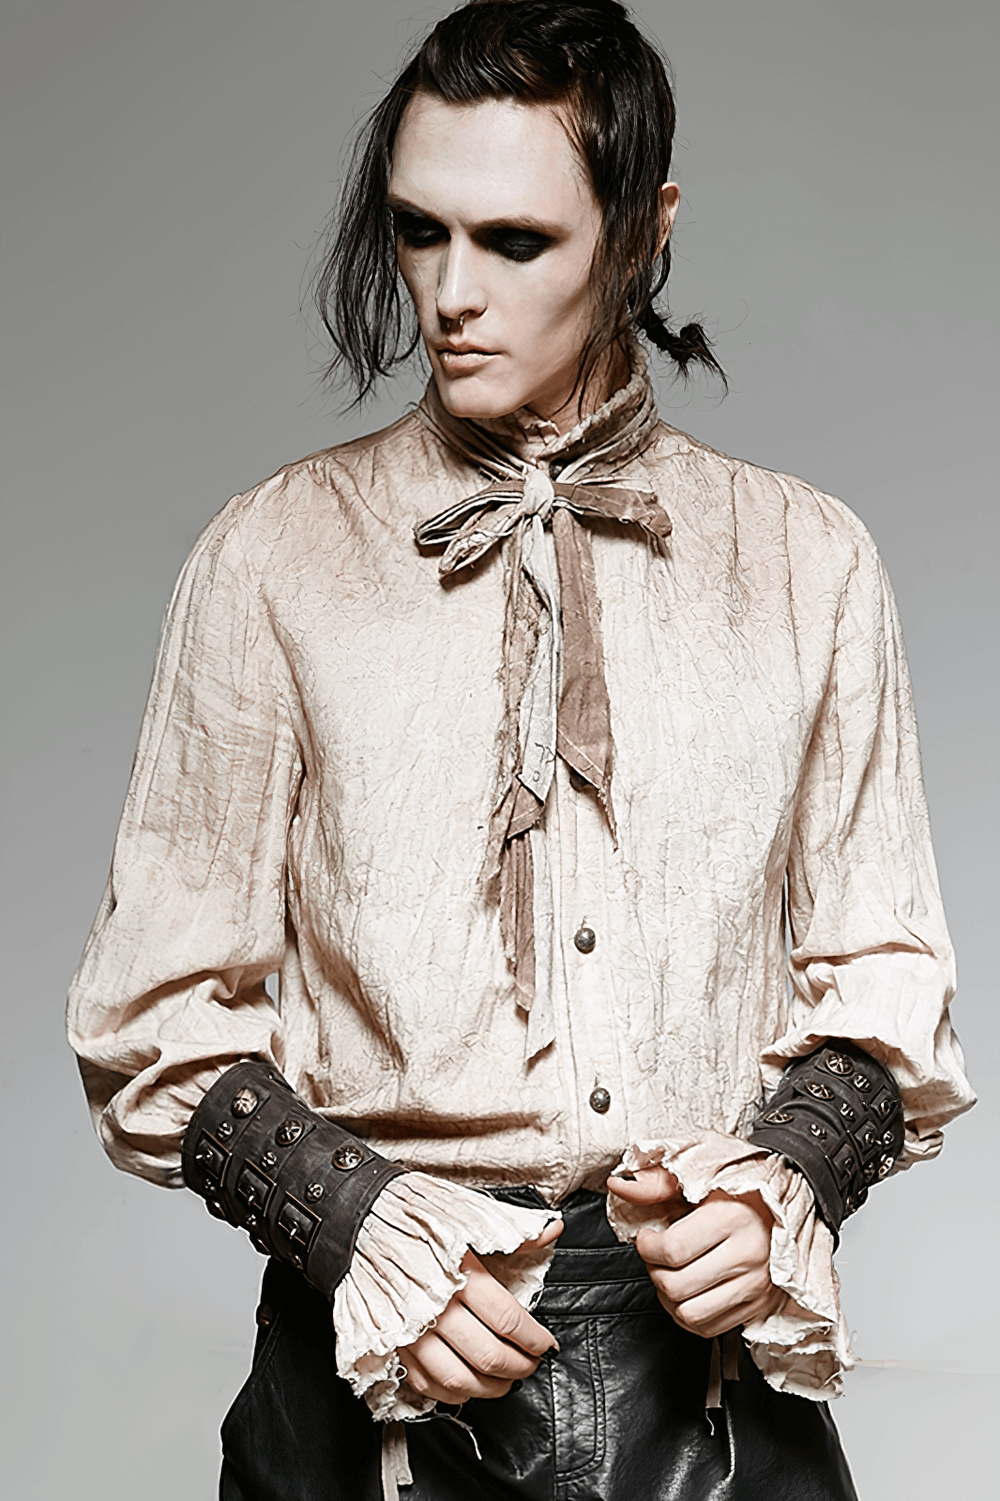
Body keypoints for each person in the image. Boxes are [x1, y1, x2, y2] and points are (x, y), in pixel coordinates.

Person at [67, 3, 975, 1498]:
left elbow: (888, 990)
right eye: (420, 233)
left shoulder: (809, 562)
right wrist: (357, 1227)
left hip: (705, 1395)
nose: (450, 293)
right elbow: (154, 1011)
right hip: (373, 1387)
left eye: (515, 242)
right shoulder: (273, 558)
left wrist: (789, 1184)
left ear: (641, 233)